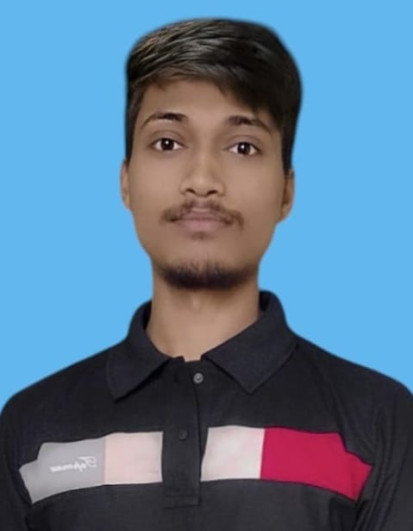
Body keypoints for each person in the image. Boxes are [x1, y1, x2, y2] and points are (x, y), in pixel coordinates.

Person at [1, 17, 412, 531]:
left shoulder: (379, 420)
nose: (201, 180)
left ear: (287, 190)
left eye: (243, 147)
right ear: (126, 181)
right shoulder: (30, 429)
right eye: (168, 143)